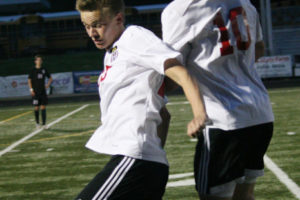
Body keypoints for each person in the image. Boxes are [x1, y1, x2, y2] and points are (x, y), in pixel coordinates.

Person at [74, 0, 208, 199]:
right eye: (87, 26)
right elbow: (164, 115)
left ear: (118, 18)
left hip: (135, 157)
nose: (92, 33)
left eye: (98, 25)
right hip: (144, 162)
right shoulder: (113, 53)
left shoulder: (134, 37)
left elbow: (180, 73)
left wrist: (199, 114)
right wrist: (154, 156)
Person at [161, 0, 274, 200]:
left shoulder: (180, 9)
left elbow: (173, 73)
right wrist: (235, 71)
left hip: (223, 120)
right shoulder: (246, 4)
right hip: (260, 113)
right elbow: (259, 48)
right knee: (245, 195)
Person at [28, 55, 52, 129]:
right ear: (35, 61)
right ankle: (37, 123)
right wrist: (31, 89)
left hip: (43, 92)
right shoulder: (32, 70)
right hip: (35, 92)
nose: (39, 61)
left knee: (43, 107)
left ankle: (44, 124)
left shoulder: (44, 69)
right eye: (38, 60)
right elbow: (29, 80)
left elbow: (50, 78)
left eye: (40, 60)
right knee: (36, 108)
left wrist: (47, 85)